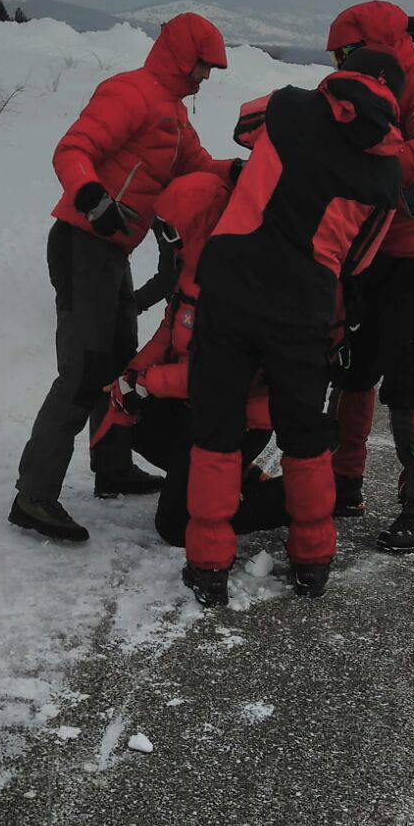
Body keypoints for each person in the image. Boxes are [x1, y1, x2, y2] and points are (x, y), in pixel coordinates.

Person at [182, 50, 408, 606]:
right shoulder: (386, 175)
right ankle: (313, 559)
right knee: (304, 434)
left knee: (216, 424)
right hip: (302, 311)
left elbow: (241, 128)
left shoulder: (287, 107)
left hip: (230, 287)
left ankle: (208, 565)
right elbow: (358, 261)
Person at [11, 13, 242, 543]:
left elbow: (197, 167)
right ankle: (33, 495)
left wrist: (242, 172)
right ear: (184, 57)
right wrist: (93, 200)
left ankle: (111, 467)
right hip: (80, 242)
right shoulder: (130, 93)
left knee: (117, 359)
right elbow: (72, 151)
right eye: (204, 65)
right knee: (83, 368)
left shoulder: (173, 117)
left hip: (111, 252)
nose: (206, 77)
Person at [324, 2, 414, 552]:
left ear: (372, 46)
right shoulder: (352, 88)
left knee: (408, 382)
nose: (340, 62)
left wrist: (379, 163)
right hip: (369, 253)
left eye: (346, 51)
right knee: (353, 372)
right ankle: (343, 483)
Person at [90, 171, 287, 547]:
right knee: (137, 421)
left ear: (201, 224)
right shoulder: (193, 271)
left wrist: (145, 382)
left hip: (238, 416)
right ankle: (225, 481)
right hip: (196, 408)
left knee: (177, 526)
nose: (167, 240)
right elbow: (168, 332)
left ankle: (301, 496)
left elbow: (215, 375)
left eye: (172, 231)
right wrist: (129, 377)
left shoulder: (242, 285)